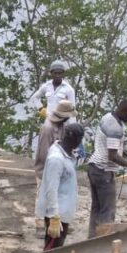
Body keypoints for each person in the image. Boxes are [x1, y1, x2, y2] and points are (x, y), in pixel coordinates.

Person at [87, 100, 127, 238]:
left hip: (93, 167)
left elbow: (106, 143)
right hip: (104, 171)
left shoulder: (107, 117)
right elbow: (112, 156)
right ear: (124, 112)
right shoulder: (116, 128)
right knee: (108, 210)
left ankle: (92, 237)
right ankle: (104, 240)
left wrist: (121, 148)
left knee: (96, 207)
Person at [35, 123, 84, 250]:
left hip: (63, 212)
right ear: (77, 140)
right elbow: (51, 189)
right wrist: (54, 217)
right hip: (57, 213)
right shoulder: (56, 159)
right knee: (51, 250)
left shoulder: (64, 154)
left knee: (56, 248)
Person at [33, 100, 77, 238]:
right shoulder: (47, 128)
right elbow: (43, 152)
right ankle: (39, 224)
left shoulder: (64, 124)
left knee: (58, 196)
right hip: (47, 167)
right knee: (42, 195)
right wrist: (50, 171)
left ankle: (61, 222)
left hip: (58, 165)